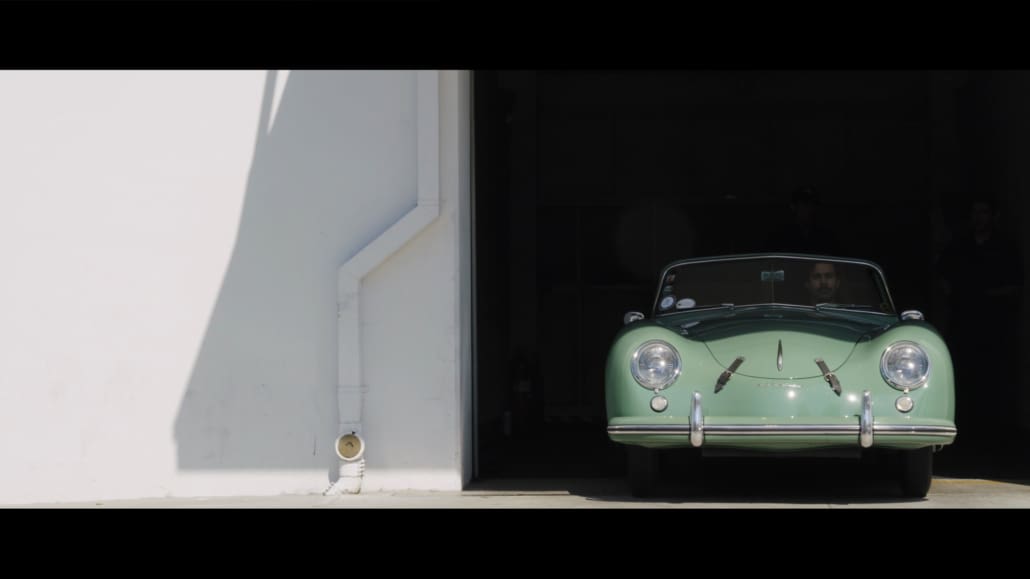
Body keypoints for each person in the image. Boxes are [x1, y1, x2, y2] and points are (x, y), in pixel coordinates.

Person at [938, 196, 1024, 438]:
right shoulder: (959, 246)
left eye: (984, 212)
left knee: (994, 376)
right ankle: (965, 428)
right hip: (963, 321)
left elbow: (1015, 285)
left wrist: (985, 295)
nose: (979, 218)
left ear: (994, 216)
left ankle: (994, 431)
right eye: (975, 213)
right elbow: (942, 276)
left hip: (995, 324)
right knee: (962, 374)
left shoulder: (1005, 247)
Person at [765, 186, 843, 256]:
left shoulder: (826, 236)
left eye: (813, 204)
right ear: (793, 206)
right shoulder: (780, 235)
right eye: (804, 204)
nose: (809, 208)